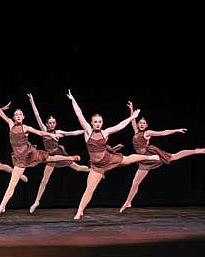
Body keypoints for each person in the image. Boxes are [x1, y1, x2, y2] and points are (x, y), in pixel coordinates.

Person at [67, 90, 160, 220]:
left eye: (100, 121)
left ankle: (149, 157)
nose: (98, 123)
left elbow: (120, 126)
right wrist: (73, 100)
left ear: (102, 122)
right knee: (89, 189)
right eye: (95, 122)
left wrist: (132, 117)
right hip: (97, 166)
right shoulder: (88, 131)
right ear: (92, 122)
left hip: (108, 158)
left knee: (128, 159)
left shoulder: (105, 132)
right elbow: (79, 114)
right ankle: (80, 210)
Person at [0, 94, 80, 219]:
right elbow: (1, 113)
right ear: (13, 117)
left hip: (29, 155)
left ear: (23, 117)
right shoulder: (10, 124)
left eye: (20, 114)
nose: (18, 116)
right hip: (19, 160)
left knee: (50, 158)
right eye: (16, 115)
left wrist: (50, 135)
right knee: (12, 185)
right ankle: (2, 206)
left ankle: (69, 158)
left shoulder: (26, 127)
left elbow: (39, 132)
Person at [119, 100, 205, 213]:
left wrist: (176, 130)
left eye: (144, 123)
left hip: (150, 154)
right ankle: (128, 202)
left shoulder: (148, 132)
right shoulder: (136, 131)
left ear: (146, 125)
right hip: (143, 160)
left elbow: (163, 132)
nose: (141, 124)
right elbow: (132, 120)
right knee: (135, 182)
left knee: (174, 156)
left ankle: (195, 151)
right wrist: (131, 109)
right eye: (140, 122)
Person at [26, 92, 91, 214]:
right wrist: (32, 102)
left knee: (77, 168)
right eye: (50, 122)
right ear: (46, 124)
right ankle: (36, 202)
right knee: (44, 180)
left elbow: (72, 133)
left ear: (55, 124)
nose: (51, 124)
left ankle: (91, 170)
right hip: (50, 157)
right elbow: (37, 115)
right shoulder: (44, 130)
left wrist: (85, 130)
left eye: (53, 123)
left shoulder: (58, 131)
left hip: (60, 155)